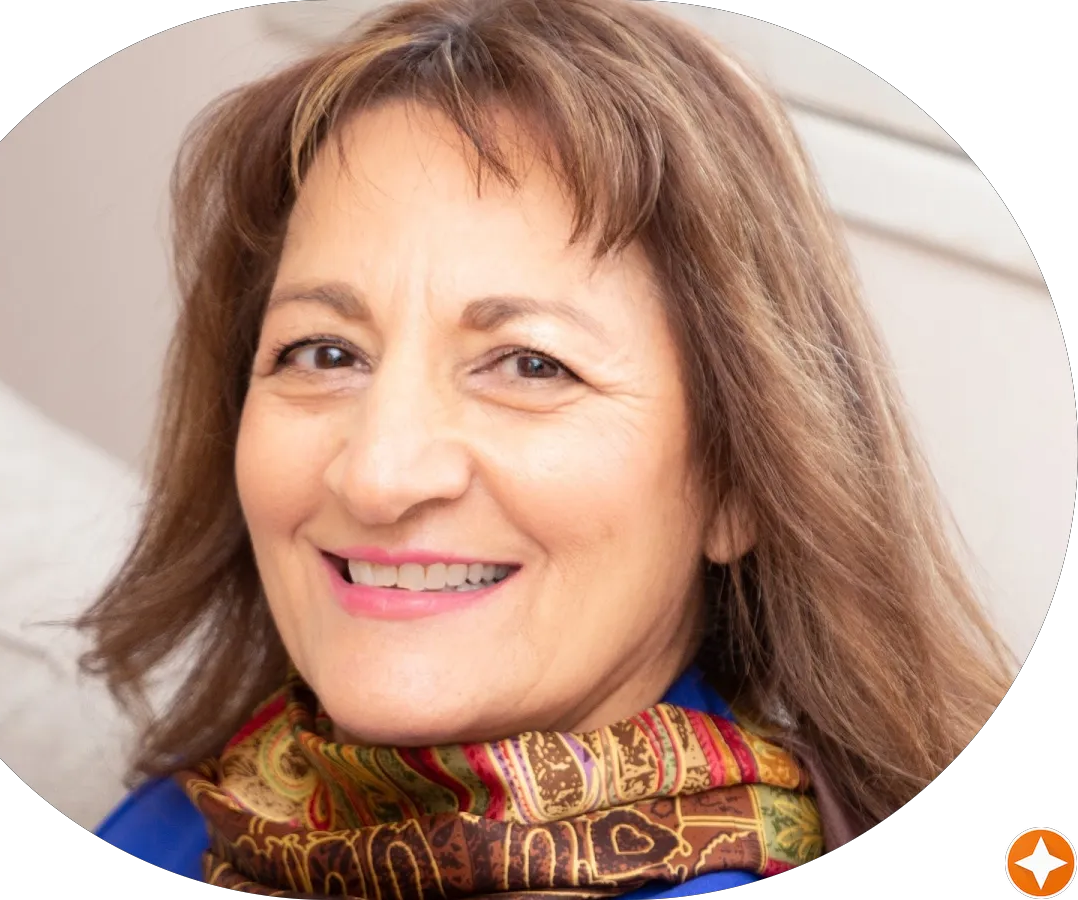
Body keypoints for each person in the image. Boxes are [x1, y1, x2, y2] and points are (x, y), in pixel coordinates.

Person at [77, 0, 1013, 896]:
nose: (378, 473)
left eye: (530, 365)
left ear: (738, 481)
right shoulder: (189, 818)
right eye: (325, 353)